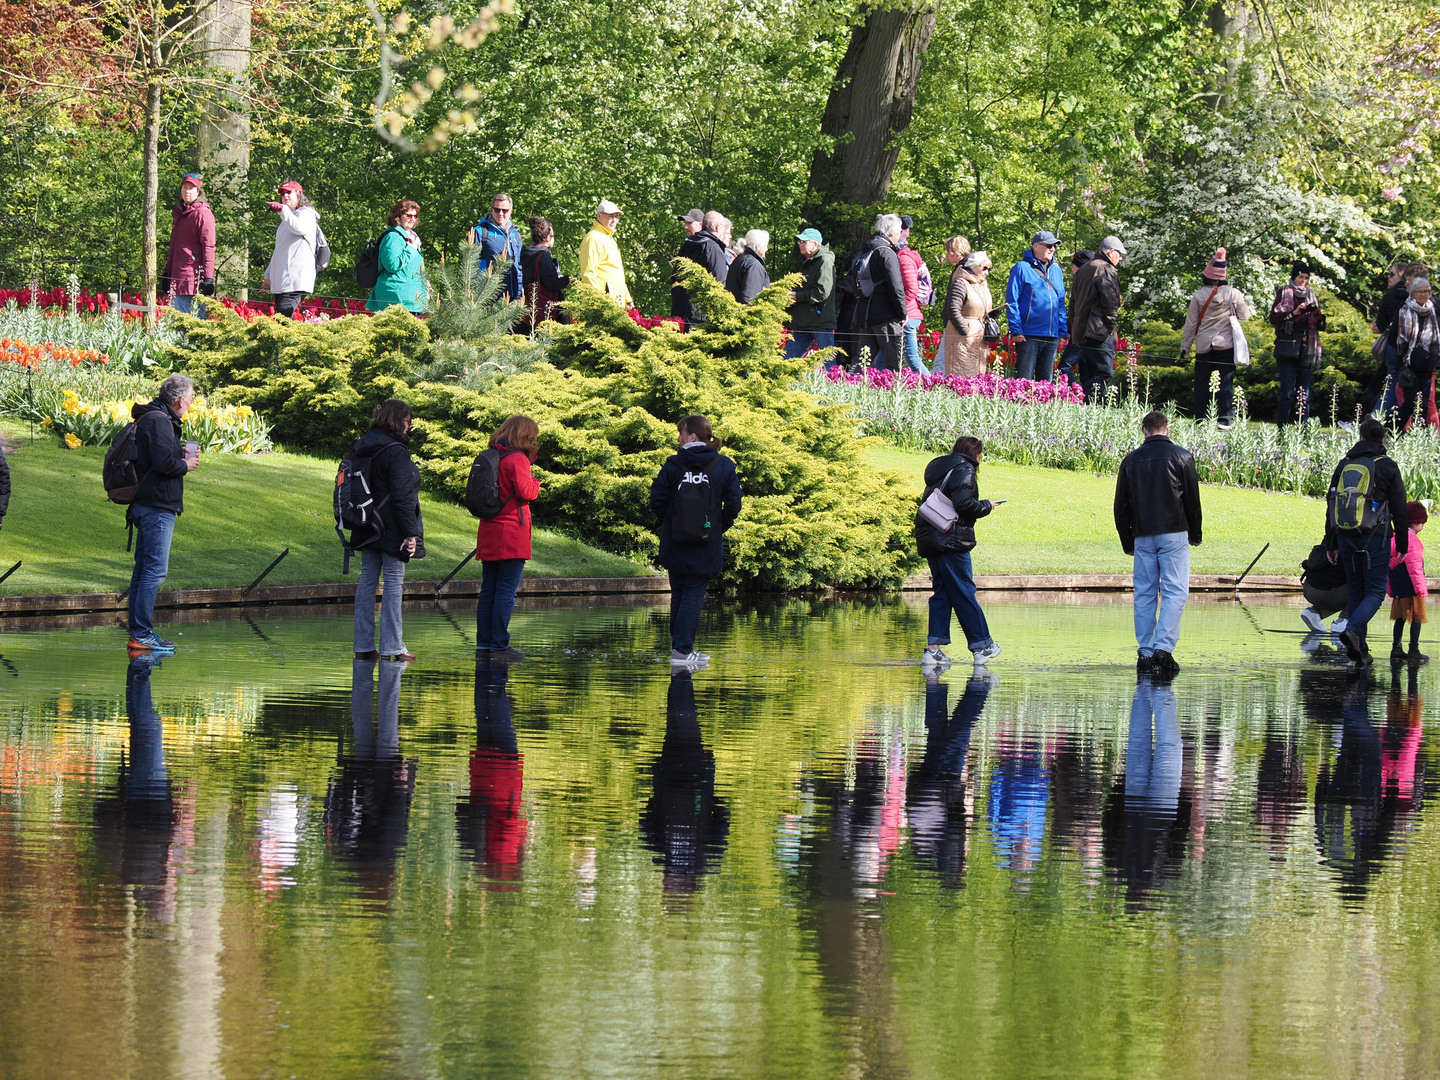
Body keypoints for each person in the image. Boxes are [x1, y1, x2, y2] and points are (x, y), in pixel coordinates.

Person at [648, 414, 742, 668]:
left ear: (691, 436)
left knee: (679, 594)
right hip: (706, 542)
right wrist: (716, 527)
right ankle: (682, 650)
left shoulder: (672, 465)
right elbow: (733, 505)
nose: (678, 439)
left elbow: (656, 501)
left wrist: (673, 523)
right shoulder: (724, 465)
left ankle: (680, 649)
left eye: (681, 433)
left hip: (675, 541)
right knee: (692, 595)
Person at [1113, 411, 1203, 676]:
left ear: (1144, 431)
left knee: (1144, 593)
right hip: (1173, 531)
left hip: (1142, 534)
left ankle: (1145, 650)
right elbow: (1192, 501)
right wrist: (1195, 534)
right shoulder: (1182, 456)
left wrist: (1127, 540)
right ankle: (1163, 648)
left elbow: (1121, 506)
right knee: (1175, 591)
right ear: (1167, 429)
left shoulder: (1130, 460)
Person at [914, 434, 1003, 668]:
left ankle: (933, 651)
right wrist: (987, 505)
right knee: (964, 590)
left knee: (942, 592)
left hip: (930, 537)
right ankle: (982, 645)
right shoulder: (965, 469)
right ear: (975, 452)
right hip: (951, 539)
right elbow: (964, 504)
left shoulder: (940, 468)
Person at [1327, 418, 1409, 666]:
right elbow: (1399, 508)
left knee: (1356, 593)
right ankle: (1352, 631)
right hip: (1377, 538)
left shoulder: (1344, 464)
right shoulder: (1387, 466)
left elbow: (1331, 505)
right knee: (1375, 592)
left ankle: (1361, 650)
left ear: (1361, 437)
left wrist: (1331, 542)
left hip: (1345, 537)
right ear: (1382, 439)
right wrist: (1403, 544)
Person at [125, 374, 199, 653]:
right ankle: (142, 634)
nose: (189, 405)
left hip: (149, 504)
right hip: (156, 506)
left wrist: (178, 451)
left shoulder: (154, 418)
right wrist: (186, 464)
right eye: (189, 401)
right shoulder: (158, 420)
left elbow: (155, 455)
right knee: (154, 571)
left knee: (144, 571)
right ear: (180, 400)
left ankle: (140, 633)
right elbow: (161, 463)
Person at [351, 399, 425, 663]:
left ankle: (363, 645)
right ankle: (393, 646)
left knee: (367, 581)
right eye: (408, 422)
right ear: (399, 421)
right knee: (394, 582)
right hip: (391, 527)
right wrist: (411, 533)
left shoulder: (363, 446)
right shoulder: (396, 451)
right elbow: (403, 497)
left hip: (365, 523)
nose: (410, 427)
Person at [475, 415, 542, 663]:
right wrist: (537, 482)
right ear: (526, 435)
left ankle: (484, 643)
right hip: (512, 532)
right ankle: (500, 645)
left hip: (490, 531)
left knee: (488, 591)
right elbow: (527, 492)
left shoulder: (494, 455)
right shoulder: (517, 459)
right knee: (505, 591)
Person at [1179, 248, 1253, 429]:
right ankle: (1225, 419)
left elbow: (1191, 323)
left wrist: (1185, 347)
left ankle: (1201, 419)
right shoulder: (1233, 293)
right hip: (1226, 344)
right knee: (1226, 382)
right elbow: (1245, 315)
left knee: (1202, 383)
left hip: (1204, 344)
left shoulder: (1198, 295)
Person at [1003, 230, 1068, 382]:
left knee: (1046, 383)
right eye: (1049, 245)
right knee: (1024, 382)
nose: (1052, 249)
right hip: (1028, 335)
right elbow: (1011, 300)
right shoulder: (1021, 268)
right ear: (1036, 246)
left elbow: (1060, 302)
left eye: (1054, 246)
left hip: (1051, 335)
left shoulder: (1057, 270)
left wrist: (1062, 331)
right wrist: (1016, 329)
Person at [1269, 259, 1326, 426]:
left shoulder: (1311, 296)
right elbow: (1274, 318)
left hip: (1306, 348)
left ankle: (1303, 430)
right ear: (1294, 277)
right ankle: (1283, 429)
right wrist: (1295, 312)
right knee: (1287, 392)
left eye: (1307, 278)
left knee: (1304, 393)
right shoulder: (1284, 293)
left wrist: (1318, 317)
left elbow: (1320, 326)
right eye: (1301, 277)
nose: (1304, 281)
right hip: (1287, 347)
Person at [1070, 236, 1126, 403]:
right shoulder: (1106, 269)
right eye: (1119, 254)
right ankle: (1075, 399)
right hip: (1098, 330)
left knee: (1092, 373)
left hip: (1081, 330)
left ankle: (1091, 407)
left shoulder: (1085, 268)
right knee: (1104, 374)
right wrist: (1110, 328)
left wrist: (1073, 328)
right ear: (1110, 252)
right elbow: (1110, 304)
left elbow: (1072, 303)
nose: (1120, 258)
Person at [855, 213, 908, 371]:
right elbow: (896, 286)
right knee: (895, 364)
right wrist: (902, 312)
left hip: (865, 314)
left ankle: (847, 390)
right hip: (886, 317)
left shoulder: (866, 250)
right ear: (891, 233)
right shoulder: (886, 252)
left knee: (860, 364)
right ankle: (896, 394)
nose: (899, 235)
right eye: (898, 232)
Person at [262, 180, 319, 319]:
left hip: (295, 280)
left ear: (299, 195)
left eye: (289, 192)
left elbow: (299, 227)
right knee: (281, 319)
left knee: (283, 320)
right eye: (282, 194)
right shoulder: (286, 219)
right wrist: (268, 274)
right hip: (283, 280)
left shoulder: (306, 214)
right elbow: (280, 250)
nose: (285, 196)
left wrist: (283, 210)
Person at [162, 173, 215, 315]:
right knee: (178, 323)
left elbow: (209, 247)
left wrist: (208, 278)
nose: (186, 191)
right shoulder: (180, 215)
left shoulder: (203, 213)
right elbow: (174, 248)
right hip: (178, 277)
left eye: (191, 188)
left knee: (191, 323)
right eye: (184, 187)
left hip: (193, 278)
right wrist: (167, 272)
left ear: (198, 192)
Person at [365, 199, 428, 314]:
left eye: (415, 215)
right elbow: (392, 265)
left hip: (409, 296)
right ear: (398, 216)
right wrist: (411, 248)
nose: (413, 219)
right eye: (409, 215)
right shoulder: (393, 237)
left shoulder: (411, 237)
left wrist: (424, 283)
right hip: (396, 297)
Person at [1393, 275, 1439, 431]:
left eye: (1426, 291)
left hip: (1428, 360)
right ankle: (1393, 430)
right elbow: (1399, 338)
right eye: (1419, 291)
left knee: (1425, 401)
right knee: (1411, 401)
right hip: (1409, 361)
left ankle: (1422, 435)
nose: (1423, 294)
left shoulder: (1433, 309)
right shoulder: (1405, 310)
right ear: (1412, 293)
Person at [784, 228, 836, 362]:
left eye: (804, 241)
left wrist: (795, 296)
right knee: (788, 360)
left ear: (815, 244)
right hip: (805, 320)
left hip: (820, 321)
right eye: (800, 241)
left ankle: (834, 382)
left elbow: (822, 292)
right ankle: (777, 381)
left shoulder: (824, 261)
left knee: (828, 362)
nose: (800, 244)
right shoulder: (809, 261)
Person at [940, 250, 994, 378]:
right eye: (984, 268)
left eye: (989, 269)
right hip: (961, 339)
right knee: (961, 378)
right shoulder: (960, 283)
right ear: (975, 267)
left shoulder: (982, 286)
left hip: (978, 340)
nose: (987, 272)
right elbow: (953, 310)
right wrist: (966, 331)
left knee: (976, 377)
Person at [671, 210, 728, 326]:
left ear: (701, 225)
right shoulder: (712, 248)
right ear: (718, 228)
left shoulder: (687, 246)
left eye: (689, 223)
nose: (685, 227)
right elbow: (721, 283)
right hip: (701, 318)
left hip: (682, 315)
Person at [1388, 501, 1428, 663]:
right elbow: (1415, 568)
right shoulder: (1413, 541)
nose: (1422, 527)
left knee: (1400, 618)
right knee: (1417, 617)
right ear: (1415, 522)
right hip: (1411, 586)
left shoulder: (1396, 537)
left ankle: (1396, 647)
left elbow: (1390, 566)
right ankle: (1414, 648)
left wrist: (1390, 588)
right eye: (1422, 524)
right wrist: (1422, 589)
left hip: (1399, 585)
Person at [578, 199, 634, 310]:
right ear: (599, 216)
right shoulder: (593, 238)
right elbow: (588, 274)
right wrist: (597, 303)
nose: (614, 220)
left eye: (617, 216)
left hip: (616, 303)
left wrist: (627, 298)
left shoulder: (608, 237)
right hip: (602, 306)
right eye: (610, 216)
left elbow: (617, 273)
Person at [519, 216, 571, 331]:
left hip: (526, 305)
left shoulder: (526, 253)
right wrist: (566, 280)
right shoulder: (543, 256)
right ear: (547, 238)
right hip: (542, 309)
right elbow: (551, 283)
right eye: (553, 236)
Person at [472, 193, 523, 300]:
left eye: (505, 210)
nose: (501, 213)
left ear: (511, 211)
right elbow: (470, 266)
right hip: (487, 296)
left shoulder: (515, 235)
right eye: (497, 210)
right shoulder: (480, 232)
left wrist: (519, 296)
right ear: (491, 210)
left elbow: (518, 267)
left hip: (512, 296)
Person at [932, 236, 972, 374]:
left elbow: (957, 303)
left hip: (957, 323)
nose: (947, 255)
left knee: (942, 361)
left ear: (958, 251)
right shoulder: (963, 268)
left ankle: (933, 388)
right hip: (960, 323)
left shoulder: (964, 270)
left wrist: (960, 325)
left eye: (950, 252)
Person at [897, 215, 931, 374]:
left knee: (911, 357)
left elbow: (911, 289)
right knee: (883, 358)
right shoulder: (905, 256)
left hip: (908, 315)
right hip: (907, 313)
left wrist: (901, 310)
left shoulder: (904, 258)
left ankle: (932, 385)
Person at [1054, 249, 1094, 384]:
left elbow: (1079, 311)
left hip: (1082, 334)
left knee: (1063, 368)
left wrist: (1070, 329)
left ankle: (1076, 394)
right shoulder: (1092, 280)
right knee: (1085, 370)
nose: (1071, 268)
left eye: (1074, 265)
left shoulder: (1084, 283)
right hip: (1088, 334)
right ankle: (1086, 400)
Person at [1299, 541, 1350, 636]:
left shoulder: (1333, 534)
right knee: (1373, 590)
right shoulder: (1357, 541)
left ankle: (1316, 613)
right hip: (1327, 592)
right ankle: (1344, 620)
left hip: (1309, 586)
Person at [726, 229, 771, 304]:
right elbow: (750, 299)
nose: (767, 249)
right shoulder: (754, 265)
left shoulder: (739, 259)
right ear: (758, 247)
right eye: (766, 245)